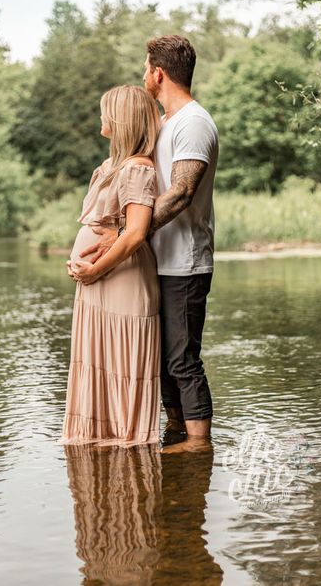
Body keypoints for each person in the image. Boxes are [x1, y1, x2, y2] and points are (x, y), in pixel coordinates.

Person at [74, 35, 219, 452]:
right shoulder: (169, 124)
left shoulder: (193, 122)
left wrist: (124, 235)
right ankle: (177, 432)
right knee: (164, 364)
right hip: (160, 261)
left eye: (144, 68)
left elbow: (180, 193)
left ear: (158, 72)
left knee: (182, 360)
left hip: (185, 262)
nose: (142, 75)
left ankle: (197, 444)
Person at [60, 85, 162, 445]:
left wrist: (96, 269)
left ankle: (127, 457)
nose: (101, 117)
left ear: (122, 120)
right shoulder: (113, 166)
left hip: (121, 281)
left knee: (120, 367)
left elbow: (135, 234)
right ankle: (98, 447)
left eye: (106, 111)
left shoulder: (137, 169)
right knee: (99, 364)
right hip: (100, 283)